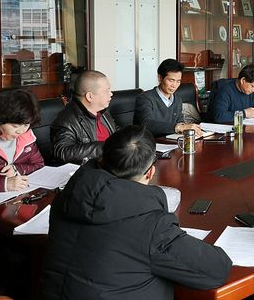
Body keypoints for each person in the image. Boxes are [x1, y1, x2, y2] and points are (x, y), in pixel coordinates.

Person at [41, 125, 232, 299]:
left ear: (102, 158)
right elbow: (217, 270)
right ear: (150, 173)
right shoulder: (150, 225)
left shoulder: (67, 196)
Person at [51, 70, 117, 165]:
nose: (111, 94)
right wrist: (104, 147)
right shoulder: (66, 120)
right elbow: (62, 152)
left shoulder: (102, 112)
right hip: (91, 168)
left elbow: (115, 131)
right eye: (106, 91)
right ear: (89, 96)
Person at [134, 59, 203, 137]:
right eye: (171, 80)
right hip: (149, 142)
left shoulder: (177, 99)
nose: (174, 85)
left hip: (170, 141)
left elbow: (180, 121)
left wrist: (185, 128)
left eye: (178, 81)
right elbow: (147, 124)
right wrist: (178, 127)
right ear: (160, 78)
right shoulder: (145, 98)